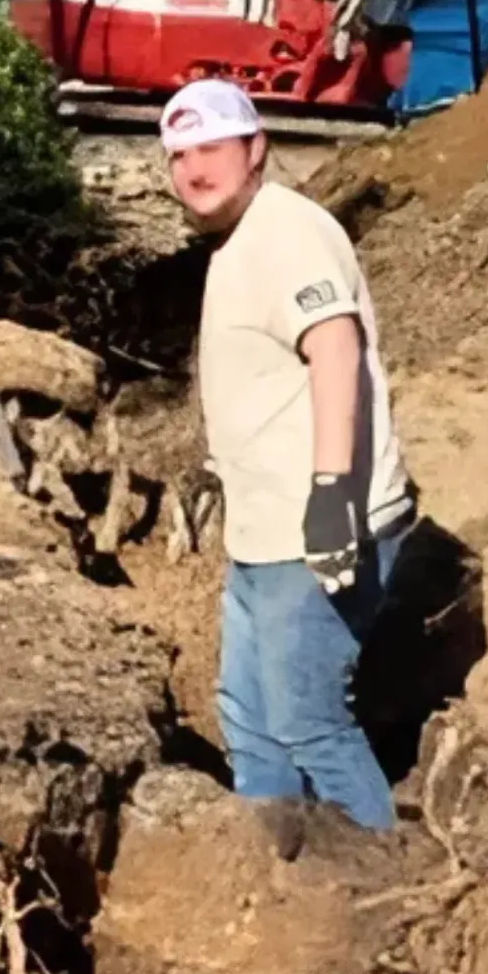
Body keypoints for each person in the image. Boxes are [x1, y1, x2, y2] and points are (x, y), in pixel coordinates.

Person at [163, 77, 414, 834]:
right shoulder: (240, 242)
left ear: (256, 149)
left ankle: (382, 889)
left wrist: (333, 493)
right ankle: (273, 881)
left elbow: (335, 346)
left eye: (211, 148)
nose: (194, 169)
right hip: (263, 534)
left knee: (308, 720)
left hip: (314, 532)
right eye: (179, 155)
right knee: (252, 718)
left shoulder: (286, 231)